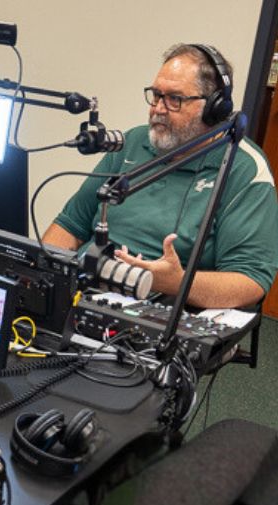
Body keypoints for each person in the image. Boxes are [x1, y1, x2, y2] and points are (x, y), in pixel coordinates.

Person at [43, 43, 278, 309]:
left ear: (215, 107)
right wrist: (41, 276)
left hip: (161, 312)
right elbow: (71, 225)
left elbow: (250, 281)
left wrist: (177, 281)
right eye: (156, 95)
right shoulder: (132, 142)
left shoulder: (243, 167)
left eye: (174, 99)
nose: (158, 109)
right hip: (83, 294)